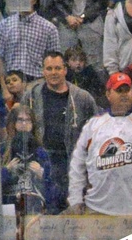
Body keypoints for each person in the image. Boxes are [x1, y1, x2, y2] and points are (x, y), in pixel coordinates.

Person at [65, 70, 132, 215]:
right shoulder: (93, 125)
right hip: (96, 210)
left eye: (127, 90)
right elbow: (77, 165)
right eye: (119, 90)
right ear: (108, 94)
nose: (124, 94)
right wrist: (75, 199)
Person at [22, 48, 98, 210]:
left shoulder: (82, 98)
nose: (53, 72)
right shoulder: (31, 96)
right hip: (41, 163)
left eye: (57, 68)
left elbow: (96, 134)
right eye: (49, 68)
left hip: (71, 164)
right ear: (43, 71)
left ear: (65, 70)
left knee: (73, 213)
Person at [0, 0, 59, 95]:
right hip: (10, 86)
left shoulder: (49, 28)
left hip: (38, 85)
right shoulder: (3, 25)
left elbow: (55, 60)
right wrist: (4, 90)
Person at [1, 100, 51, 209]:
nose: (24, 124)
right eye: (20, 120)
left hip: (34, 208)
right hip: (7, 208)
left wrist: (42, 174)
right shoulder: (2, 150)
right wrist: (7, 170)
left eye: (28, 120)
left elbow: (54, 189)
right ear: (13, 123)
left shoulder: (41, 152)